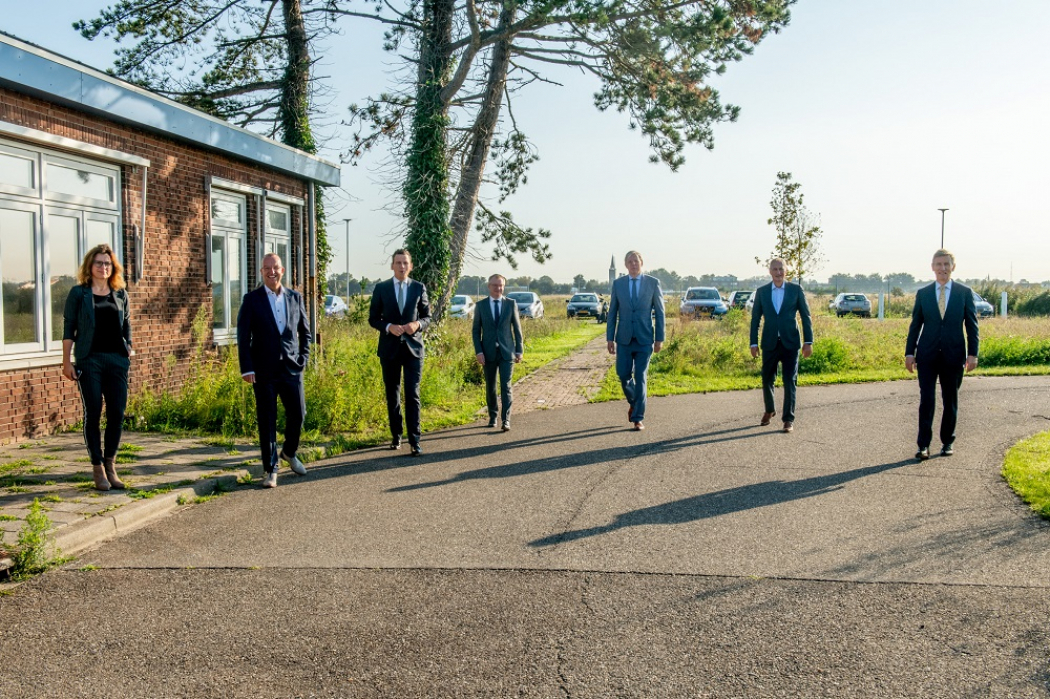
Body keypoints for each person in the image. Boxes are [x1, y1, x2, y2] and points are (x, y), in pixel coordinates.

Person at [62, 244, 133, 491]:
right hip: (89, 359)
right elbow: (69, 327)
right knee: (93, 411)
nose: (104, 267)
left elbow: (126, 324)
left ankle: (111, 465)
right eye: (99, 263)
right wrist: (66, 361)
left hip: (116, 360)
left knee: (117, 412)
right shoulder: (78, 293)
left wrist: (128, 347)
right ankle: (97, 467)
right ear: (89, 267)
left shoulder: (120, 293)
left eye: (107, 263)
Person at [237, 253, 311, 488]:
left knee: (298, 414)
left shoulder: (294, 297)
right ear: (261, 272)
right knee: (267, 420)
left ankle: (289, 452)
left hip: (291, 368)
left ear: (283, 270)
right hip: (263, 370)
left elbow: (305, 332)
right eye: (266, 268)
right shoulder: (252, 300)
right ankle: (271, 469)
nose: (272, 271)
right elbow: (243, 337)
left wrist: (303, 358)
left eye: (275, 267)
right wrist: (247, 368)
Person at [905, 249, 979, 461]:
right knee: (926, 399)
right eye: (938, 264)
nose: (942, 268)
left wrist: (973, 354)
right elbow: (915, 325)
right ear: (932, 267)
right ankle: (923, 445)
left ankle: (947, 441)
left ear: (952, 267)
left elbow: (972, 326)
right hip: (927, 355)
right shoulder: (924, 293)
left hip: (954, 355)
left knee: (950, 400)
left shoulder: (964, 293)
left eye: (946, 264)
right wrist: (909, 353)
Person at [369, 249, 432, 455]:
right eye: (398, 263)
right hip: (389, 349)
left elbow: (428, 317)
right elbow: (373, 318)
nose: (402, 266)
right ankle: (396, 436)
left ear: (410, 266)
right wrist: (388, 327)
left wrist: (417, 324)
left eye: (405, 263)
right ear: (392, 266)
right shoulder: (381, 288)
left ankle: (415, 440)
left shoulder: (418, 288)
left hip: (413, 349)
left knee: (412, 394)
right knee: (392, 394)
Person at [749, 258, 814, 433]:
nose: (778, 273)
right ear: (770, 272)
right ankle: (769, 409)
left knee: (789, 380)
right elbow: (755, 319)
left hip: (791, 342)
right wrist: (753, 343)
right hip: (770, 342)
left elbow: (806, 316)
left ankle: (788, 419)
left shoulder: (795, 290)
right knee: (767, 378)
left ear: (786, 271)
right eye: (775, 269)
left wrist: (808, 342)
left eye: (781, 269)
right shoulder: (762, 292)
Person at [606, 251, 665, 431]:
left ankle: (638, 417)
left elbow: (660, 313)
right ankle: (634, 401)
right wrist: (610, 338)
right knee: (623, 375)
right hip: (623, 338)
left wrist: (659, 339)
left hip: (644, 338)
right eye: (630, 262)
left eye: (636, 261)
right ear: (625, 265)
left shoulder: (653, 283)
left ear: (641, 263)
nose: (633, 264)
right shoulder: (618, 284)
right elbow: (612, 313)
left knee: (640, 377)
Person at [472, 274, 524, 431]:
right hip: (487, 352)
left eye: (501, 285)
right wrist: (479, 351)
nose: (498, 288)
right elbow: (475, 331)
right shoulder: (481, 306)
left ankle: (505, 420)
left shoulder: (510, 304)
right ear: (489, 286)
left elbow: (517, 328)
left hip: (507, 351)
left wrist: (519, 350)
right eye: (495, 285)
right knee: (491, 386)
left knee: (506, 386)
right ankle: (493, 416)